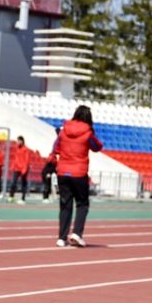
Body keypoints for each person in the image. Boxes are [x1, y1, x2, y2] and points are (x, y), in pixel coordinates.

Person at [53, 105, 103, 247]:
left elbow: (56, 148)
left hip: (62, 171)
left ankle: (62, 238)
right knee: (82, 204)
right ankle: (77, 233)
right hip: (79, 172)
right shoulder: (88, 133)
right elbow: (97, 147)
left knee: (65, 205)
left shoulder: (63, 130)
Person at [7, 135, 30, 204]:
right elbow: (15, 159)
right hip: (16, 168)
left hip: (23, 169)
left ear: (22, 141)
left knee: (23, 184)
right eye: (17, 140)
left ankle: (23, 198)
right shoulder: (16, 148)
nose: (18, 142)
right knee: (13, 182)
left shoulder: (26, 149)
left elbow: (26, 160)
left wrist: (24, 169)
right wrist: (12, 166)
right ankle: (11, 196)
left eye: (19, 140)